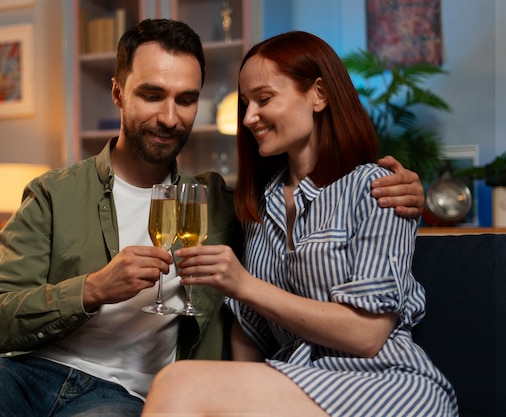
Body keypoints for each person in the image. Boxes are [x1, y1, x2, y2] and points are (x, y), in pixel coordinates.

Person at [0, 21, 424, 417]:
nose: (170, 116)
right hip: (23, 370)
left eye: (186, 99)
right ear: (117, 93)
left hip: (130, 393)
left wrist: (406, 186)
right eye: (152, 95)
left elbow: (324, 219)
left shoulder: (224, 201)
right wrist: (91, 289)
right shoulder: (53, 195)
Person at [141, 31, 458, 416]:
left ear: (319, 94)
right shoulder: (260, 205)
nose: (248, 117)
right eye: (245, 103)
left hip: (384, 381)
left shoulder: (378, 189)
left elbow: (367, 334)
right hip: (294, 382)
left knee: (178, 382)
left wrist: (245, 286)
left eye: (264, 99)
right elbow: (251, 330)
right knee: (182, 383)